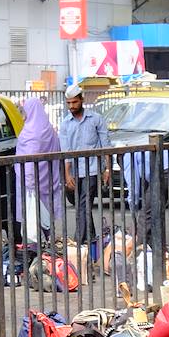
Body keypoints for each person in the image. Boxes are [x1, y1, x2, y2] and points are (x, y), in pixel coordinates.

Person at [58, 84, 111, 245]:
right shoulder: (65, 124)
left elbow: (105, 145)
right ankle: (91, 239)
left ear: (82, 100)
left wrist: (107, 168)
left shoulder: (96, 119)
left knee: (83, 205)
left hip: (93, 170)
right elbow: (66, 152)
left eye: (74, 102)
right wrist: (67, 175)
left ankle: (78, 242)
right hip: (74, 172)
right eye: (68, 103)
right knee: (82, 207)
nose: (71, 106)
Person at [14, 98, 62, 243]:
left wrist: (29, 187)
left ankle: (37, 258)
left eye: (25, 111)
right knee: (46, 224)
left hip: (32, 187)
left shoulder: (31, 133)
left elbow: (28, 164)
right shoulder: (50, 131)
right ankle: (48, 257)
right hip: (49, 183)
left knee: (33, 225)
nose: (24, 115)